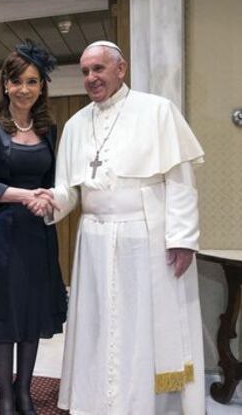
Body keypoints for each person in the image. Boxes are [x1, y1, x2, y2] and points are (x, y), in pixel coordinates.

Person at [47, 41, 205, 414]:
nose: (91, 78)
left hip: (146, 237)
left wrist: (182, 239)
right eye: (85, 71)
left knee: (143, 328)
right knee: (99, 325)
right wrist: (48, 202)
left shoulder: (157, 111)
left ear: (122, 68)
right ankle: (98, 403)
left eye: (99, 69)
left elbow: (181, 182)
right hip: (94, 240)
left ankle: (145, 406)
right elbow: (70, 189)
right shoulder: (74, 124)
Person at [0, 40, 67, 415]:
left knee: (32, 310)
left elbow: (56, 179)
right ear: (5, 85)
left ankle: (24, 390)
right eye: (17, 81)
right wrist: (27, 195)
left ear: (42, 87)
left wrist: (47, 197)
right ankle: (5, 396)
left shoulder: (49, 129)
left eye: (33, 82)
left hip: (37, 235)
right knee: (5, 314)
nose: (25, 89)